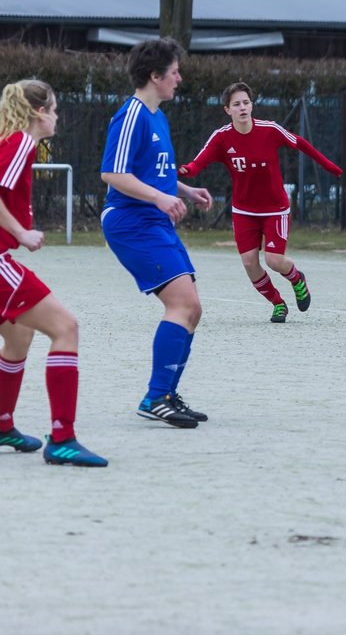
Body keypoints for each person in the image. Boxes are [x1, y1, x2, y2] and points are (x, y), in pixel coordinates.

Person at [101, 38, 213, 428]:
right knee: (182, 304)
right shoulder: (131, 115)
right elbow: (113, 174)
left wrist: (183, 191)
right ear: (154, 76)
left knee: (192, 308)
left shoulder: (157, 117)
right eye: (174, 72)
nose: (179, 79)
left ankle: (165, 394)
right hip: (130, 221)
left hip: (152, 219)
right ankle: (155, 397)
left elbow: (154, 172)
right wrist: (159, 200)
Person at [0, 80, 107, 467]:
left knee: (20, 335)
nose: (58, 116)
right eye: (56, 109)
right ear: (40, 112)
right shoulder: (22, 143)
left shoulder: (12, 142)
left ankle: (2, 423)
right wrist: (21, 232)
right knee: (66, 328)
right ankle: (62, 438)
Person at [179, 82, 343, 323]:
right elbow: (198, 163)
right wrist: (185, 170)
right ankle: (278, 303)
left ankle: (298, 279)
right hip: (244, 210)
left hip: (275, 209)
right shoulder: (222, 138)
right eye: (236, 104)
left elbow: (300, 143)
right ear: (227, 110)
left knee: (274, 260)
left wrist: (330, 167)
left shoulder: (270, 130)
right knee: (249, 263)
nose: (242, 107)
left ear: (252, 105)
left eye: (246, 102)